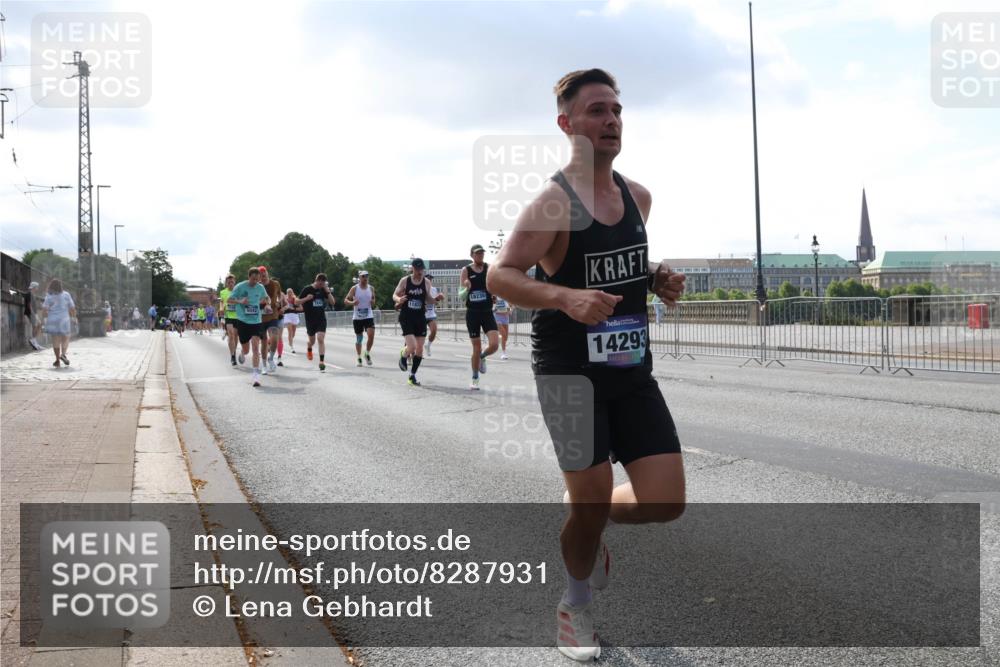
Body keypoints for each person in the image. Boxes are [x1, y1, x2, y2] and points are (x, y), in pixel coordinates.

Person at [486, 69, 687, 662]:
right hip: (568, 371)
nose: (611, 121)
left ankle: (588, 524)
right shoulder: (552, 203)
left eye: (617, 111)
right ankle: (574, 606)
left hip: (630, 369)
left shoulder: (637, 197)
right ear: (566, 123)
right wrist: (563, 297)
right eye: (597, 111)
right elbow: (502, 275)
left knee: (665, 501)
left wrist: (658, 279)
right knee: (591, 497)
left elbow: (622, 264)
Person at [460, 244, 499, 390]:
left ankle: (482, 357)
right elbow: (461, 296)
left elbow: (493, 286)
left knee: (495, 344)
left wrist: (493, 295)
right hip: (473, 314)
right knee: (476, 347)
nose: (480, 256)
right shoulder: (466, 270)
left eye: (482, 253)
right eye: (477, 254)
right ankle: (475, 377)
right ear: (472, 255)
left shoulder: (489, 268)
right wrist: (467, 287)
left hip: (487, 312)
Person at [229, 267, 271, 387]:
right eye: (253, 279)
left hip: (256, 321)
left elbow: (266, 297)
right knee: (247, 350)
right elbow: (229, 300)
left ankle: (255, 378)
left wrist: (267, 305)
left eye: (257, 280)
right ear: (249, 277)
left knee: (255, 348)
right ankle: (242, 353)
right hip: (243, 321)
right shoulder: (240, 287)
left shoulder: (260, 287)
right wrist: (240, 301)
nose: (255, 282)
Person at [393, 258, 431, 386]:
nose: (420, 272)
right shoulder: (405, 281)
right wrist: (399, 299)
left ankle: (412, 375)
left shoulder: (426, 282)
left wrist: (437, 299)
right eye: (417, 269)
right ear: (412, 268)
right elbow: (394, 295)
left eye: (421, 269)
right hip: (407, 317)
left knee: (419, 350)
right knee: (413, 347)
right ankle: (404, 354)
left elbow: (428, 298)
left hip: (420, 317)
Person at [298, 273, 336, 372]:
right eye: (320, 284)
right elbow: (296, 302)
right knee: (312, 341)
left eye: (323, 284)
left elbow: (333, 302)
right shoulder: (307, 289)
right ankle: (309, 347)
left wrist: (328, 292)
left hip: (321, 319)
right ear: (317, 280)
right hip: (310, 320)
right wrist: (306, 298)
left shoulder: (323, 289)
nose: (321, 286)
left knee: (320, 338)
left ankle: (321, 361)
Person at [40, 279, 76, 368]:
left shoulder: (49, 296)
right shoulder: (66, 294)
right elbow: (72, 308)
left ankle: (57, 360)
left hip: (52, 319)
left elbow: (44, 310)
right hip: (64, 319)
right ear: (61, 286)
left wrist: (44, 319)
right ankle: (63, 354)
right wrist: (74, 317)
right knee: (66, 337)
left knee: (55, 340)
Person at [344, 270, 376, 367]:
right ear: (359, 278)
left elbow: (374, 299)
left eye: (366, 276)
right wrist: (352, 303)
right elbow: (345, 300)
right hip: (357, 317)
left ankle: (367, 353)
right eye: (363, 276)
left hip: (368, 315)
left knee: (371, 335)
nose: (365, 278)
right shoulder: (354, 288)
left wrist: (372, 301)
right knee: (359, 339)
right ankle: (359, 357)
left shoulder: (371, 288)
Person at [259, 267, 284, 374]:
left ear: (267, 274)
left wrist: (279, 302)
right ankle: (264, 365)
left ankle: (271, 358)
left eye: (264, 275)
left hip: (273, 315)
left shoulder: (275, 284)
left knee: (275, 337)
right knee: (264, 342)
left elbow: (279, 295)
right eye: (260, 276)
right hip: (260, 317)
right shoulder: (257, 286)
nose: (263, 277)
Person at [219, 275, 239, 365]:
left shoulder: (238, 290)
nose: (230, 283)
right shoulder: (223, 292)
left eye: (232, 282)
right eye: (229, 282)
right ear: (226, 283)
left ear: (234, 282)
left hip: (238, 316)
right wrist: (221, 308)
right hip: (228, 316)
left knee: (235, 336)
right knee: (231, 335)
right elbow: (222, 302)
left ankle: (234, 351)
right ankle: (233, 356)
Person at [423, 274, 444, 357]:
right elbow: (424, 301)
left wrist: (439, 298)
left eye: (431, 280)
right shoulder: (421, 289)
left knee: (434, 331)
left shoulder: (434, 289)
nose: (429, 281)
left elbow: (436, 303)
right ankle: (417, 353)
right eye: (428, 279)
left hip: (431, 314)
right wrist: (435, 299)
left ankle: (428, 345)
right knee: (421, 335)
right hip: (421, 315)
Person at [24, 281, 43, 350]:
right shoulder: (29, 294)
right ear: (34, 287)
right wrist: (33, 314)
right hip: (30, 313)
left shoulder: (32, 294)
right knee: (36, 325)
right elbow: (29, 305)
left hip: (34, 313)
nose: (37, 288)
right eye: (37, 287)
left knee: (38, 325)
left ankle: (34, 340)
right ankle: (33, 340)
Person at [282, 288, 301, 355]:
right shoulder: (285, 300)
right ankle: (292, 347)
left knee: (293, 333)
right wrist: (284, 308)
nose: (289, 293)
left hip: (294, 316)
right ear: (287, 293)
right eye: (288, 292)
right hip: (287, 316)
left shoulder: (295, 299)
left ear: (292, 292)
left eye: (291, 292)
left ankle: (290, 341)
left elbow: (301, 308)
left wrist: (294, 308)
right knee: (290, 331)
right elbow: (282, 308)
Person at [494, 295, 511, 360]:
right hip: (497, 318)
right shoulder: (494, 296)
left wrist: (510, 310)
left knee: (506, 337)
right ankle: (504, 353)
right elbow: (494, 309)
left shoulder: (506, 295)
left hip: (506, 318)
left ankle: (497, 339)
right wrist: (506, 311)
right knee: (503, 335)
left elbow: (511, 306)